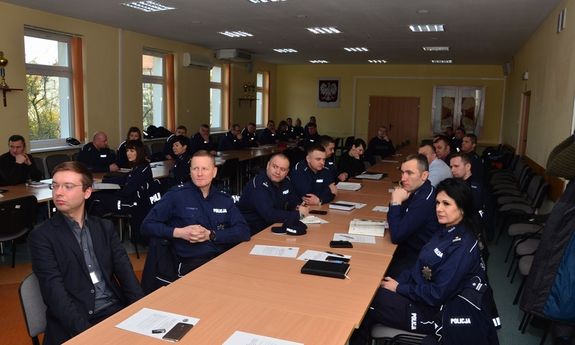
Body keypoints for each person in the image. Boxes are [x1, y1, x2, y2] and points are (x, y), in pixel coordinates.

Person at [350, 178, 499, 345]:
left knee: (365, 303)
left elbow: (437, 295)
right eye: (437, 203)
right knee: (369, 291)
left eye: (446, 204)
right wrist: (399, 282)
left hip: (434, 312)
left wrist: (400, 288)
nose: (439, 209)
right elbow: (420, 266)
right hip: (421, 294)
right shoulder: (446, 229)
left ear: (462, 208)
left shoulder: (462, 246)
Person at [28, 161, 144, 345]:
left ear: (87, 192)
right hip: (76, 322)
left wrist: (143, 310)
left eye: (68, 186)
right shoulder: (41, 236)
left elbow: (126, 273)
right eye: (55, 185)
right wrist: (89, 336)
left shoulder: (104, 227)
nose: (58, 192)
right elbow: (55, 295)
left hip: (114, 310)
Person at [141, 150, 250, 276]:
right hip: (190, 266)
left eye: (204, 169)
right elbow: (147, 226)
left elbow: (243, 231)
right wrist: (179, 233)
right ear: (190, 171)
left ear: (214, 172)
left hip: (222, 261)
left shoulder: (224, 200)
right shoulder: (175, 196)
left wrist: (211, 235)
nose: (199, 173)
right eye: (195, 169)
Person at [386, 154, 440, 277]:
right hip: (407, 249)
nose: (403, 178)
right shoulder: (416, 190)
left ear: (424, 175)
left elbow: (396, 236)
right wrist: (397, 203)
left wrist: (395, 202)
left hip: (417, 258)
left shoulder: (424, 200)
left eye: (409, 173)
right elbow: (393, 221)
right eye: (402, 173)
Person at [237, 153, 309, 235]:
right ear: (268, 166)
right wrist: (298, 214)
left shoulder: (286, 182)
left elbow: (294, 202)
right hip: (252, 232)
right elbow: (269, 215)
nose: (278, 172)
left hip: (274, 227)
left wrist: (299, 207)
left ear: (287, 172)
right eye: (275, 167)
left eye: (283, 169)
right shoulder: (258, 184)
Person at [90, 140, 154, 216]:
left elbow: (127, 191)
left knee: (96, 199)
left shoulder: (142, 170)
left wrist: (111, 193)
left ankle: (95, 225)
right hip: (130, 198)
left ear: (139, 152)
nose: (128, 153)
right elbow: (123, 179)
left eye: (132, 151)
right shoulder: (138, 166)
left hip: (133, 204)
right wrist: (102, 180)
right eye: (127, 151)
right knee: (99, 202)